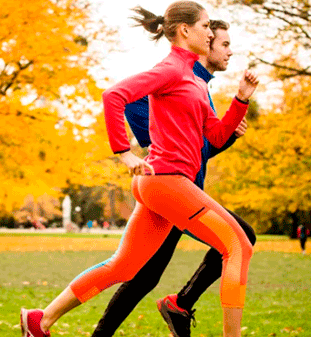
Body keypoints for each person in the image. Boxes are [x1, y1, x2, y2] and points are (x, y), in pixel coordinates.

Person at [20, 2, 259, 337]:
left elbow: (216, 135)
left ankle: (40, 320)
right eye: (206, 26)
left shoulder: (195, 79)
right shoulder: (172, 69)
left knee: (125, 266)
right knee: (237, 245)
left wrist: (241, 100)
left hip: (163, 185)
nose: (210, 33)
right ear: (185, 30)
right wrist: (125, 153)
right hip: (166, 181)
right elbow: (114, 96)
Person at [91, 19, 256, 337]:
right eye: (222, 43)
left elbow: (199, 150)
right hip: (169, 187)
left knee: (143, 274)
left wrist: (228, 133)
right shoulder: (180, 76)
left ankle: (175, 306)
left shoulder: (200, 84)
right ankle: (179, 304)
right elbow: (130, 102)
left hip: (184, 189)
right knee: (239, 240)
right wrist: (151, 144)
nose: (229, 51)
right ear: (204, 43)